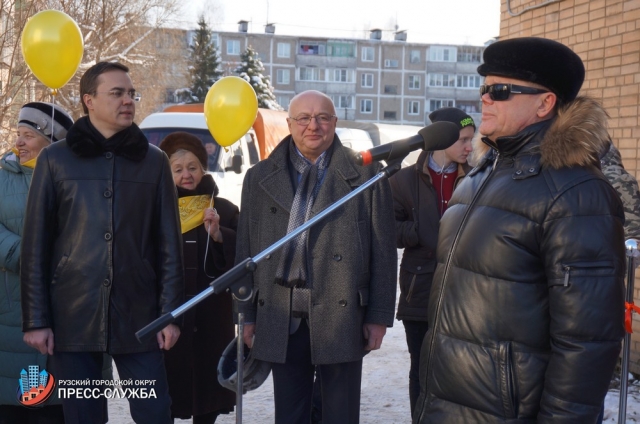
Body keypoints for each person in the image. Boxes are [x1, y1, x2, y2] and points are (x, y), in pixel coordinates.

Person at [413, 37, 626, 423]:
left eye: (500, 91)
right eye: (484, 89)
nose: (485, 99)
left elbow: (587, 342)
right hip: (446, 404)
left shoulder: (577, 193)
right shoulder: (478, 176)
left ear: (545, 103)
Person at [20, 61, 184, 424]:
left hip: (140, 319)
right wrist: (36, 320)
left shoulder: (154, 163)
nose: (128, 101)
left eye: (131, 93)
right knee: (84, 416)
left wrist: (169, 313)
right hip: (73, 317)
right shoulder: (54, 159)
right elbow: (36, 245)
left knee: (155, 413)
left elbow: (169, 246)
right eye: (117, 93)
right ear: (89, 100)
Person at [235, 90, 397, 423]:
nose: (314, 126)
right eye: (304, 118)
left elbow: (383, 250)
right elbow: (245, 252)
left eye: (323, 117)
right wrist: (245, 314)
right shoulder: (259, 177)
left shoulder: (366, 174)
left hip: (343, 316)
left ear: (335, 123)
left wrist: (378, 315)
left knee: (340, 414)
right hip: (282, 314)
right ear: (290, 124)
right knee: (290, 414)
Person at [389, 107, 474, 419]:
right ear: (441, 139)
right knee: (422, 371)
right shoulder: (403, 180)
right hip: (419, 289)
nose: (469, 147)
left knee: (459, 372)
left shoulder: (478, 178)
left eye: (471, 139)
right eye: (463, 139)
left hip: (465, 292)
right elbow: (387, 227)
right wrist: (418, 231)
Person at [0, 102, 72, 424]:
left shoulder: (76, 181)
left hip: (67, 310)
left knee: (62, 409)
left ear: (52, 141)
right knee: (12, 406)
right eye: (18, 134)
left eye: (28, 135)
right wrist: (24, 255)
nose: (19, 142)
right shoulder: (2, 179)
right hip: (10, 309)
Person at [159, 132, 237, 423]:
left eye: (192, 167)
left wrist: (219, 235)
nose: (186, 175)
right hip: (168, 316)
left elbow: (244, 258)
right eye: (177, 169)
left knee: (208, 396)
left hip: (211, 319)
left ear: (203, 168)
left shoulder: (224, 210)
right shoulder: (157, 210)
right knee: (166, 393)